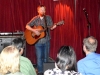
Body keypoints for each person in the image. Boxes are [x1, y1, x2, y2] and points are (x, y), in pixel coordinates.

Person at [25, 5, 56, 74]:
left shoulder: (48, 18)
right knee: (39, 58)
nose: (43, 11)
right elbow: (27, 26)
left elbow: (51, 27)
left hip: (46, 41)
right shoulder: (35, 18)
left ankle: (46, 72)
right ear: (38, 11)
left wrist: (54, 26)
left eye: (44, 9)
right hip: (38, 42)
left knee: (46, 58)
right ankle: (40, 72)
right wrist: (34, 30)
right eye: (41, 10)